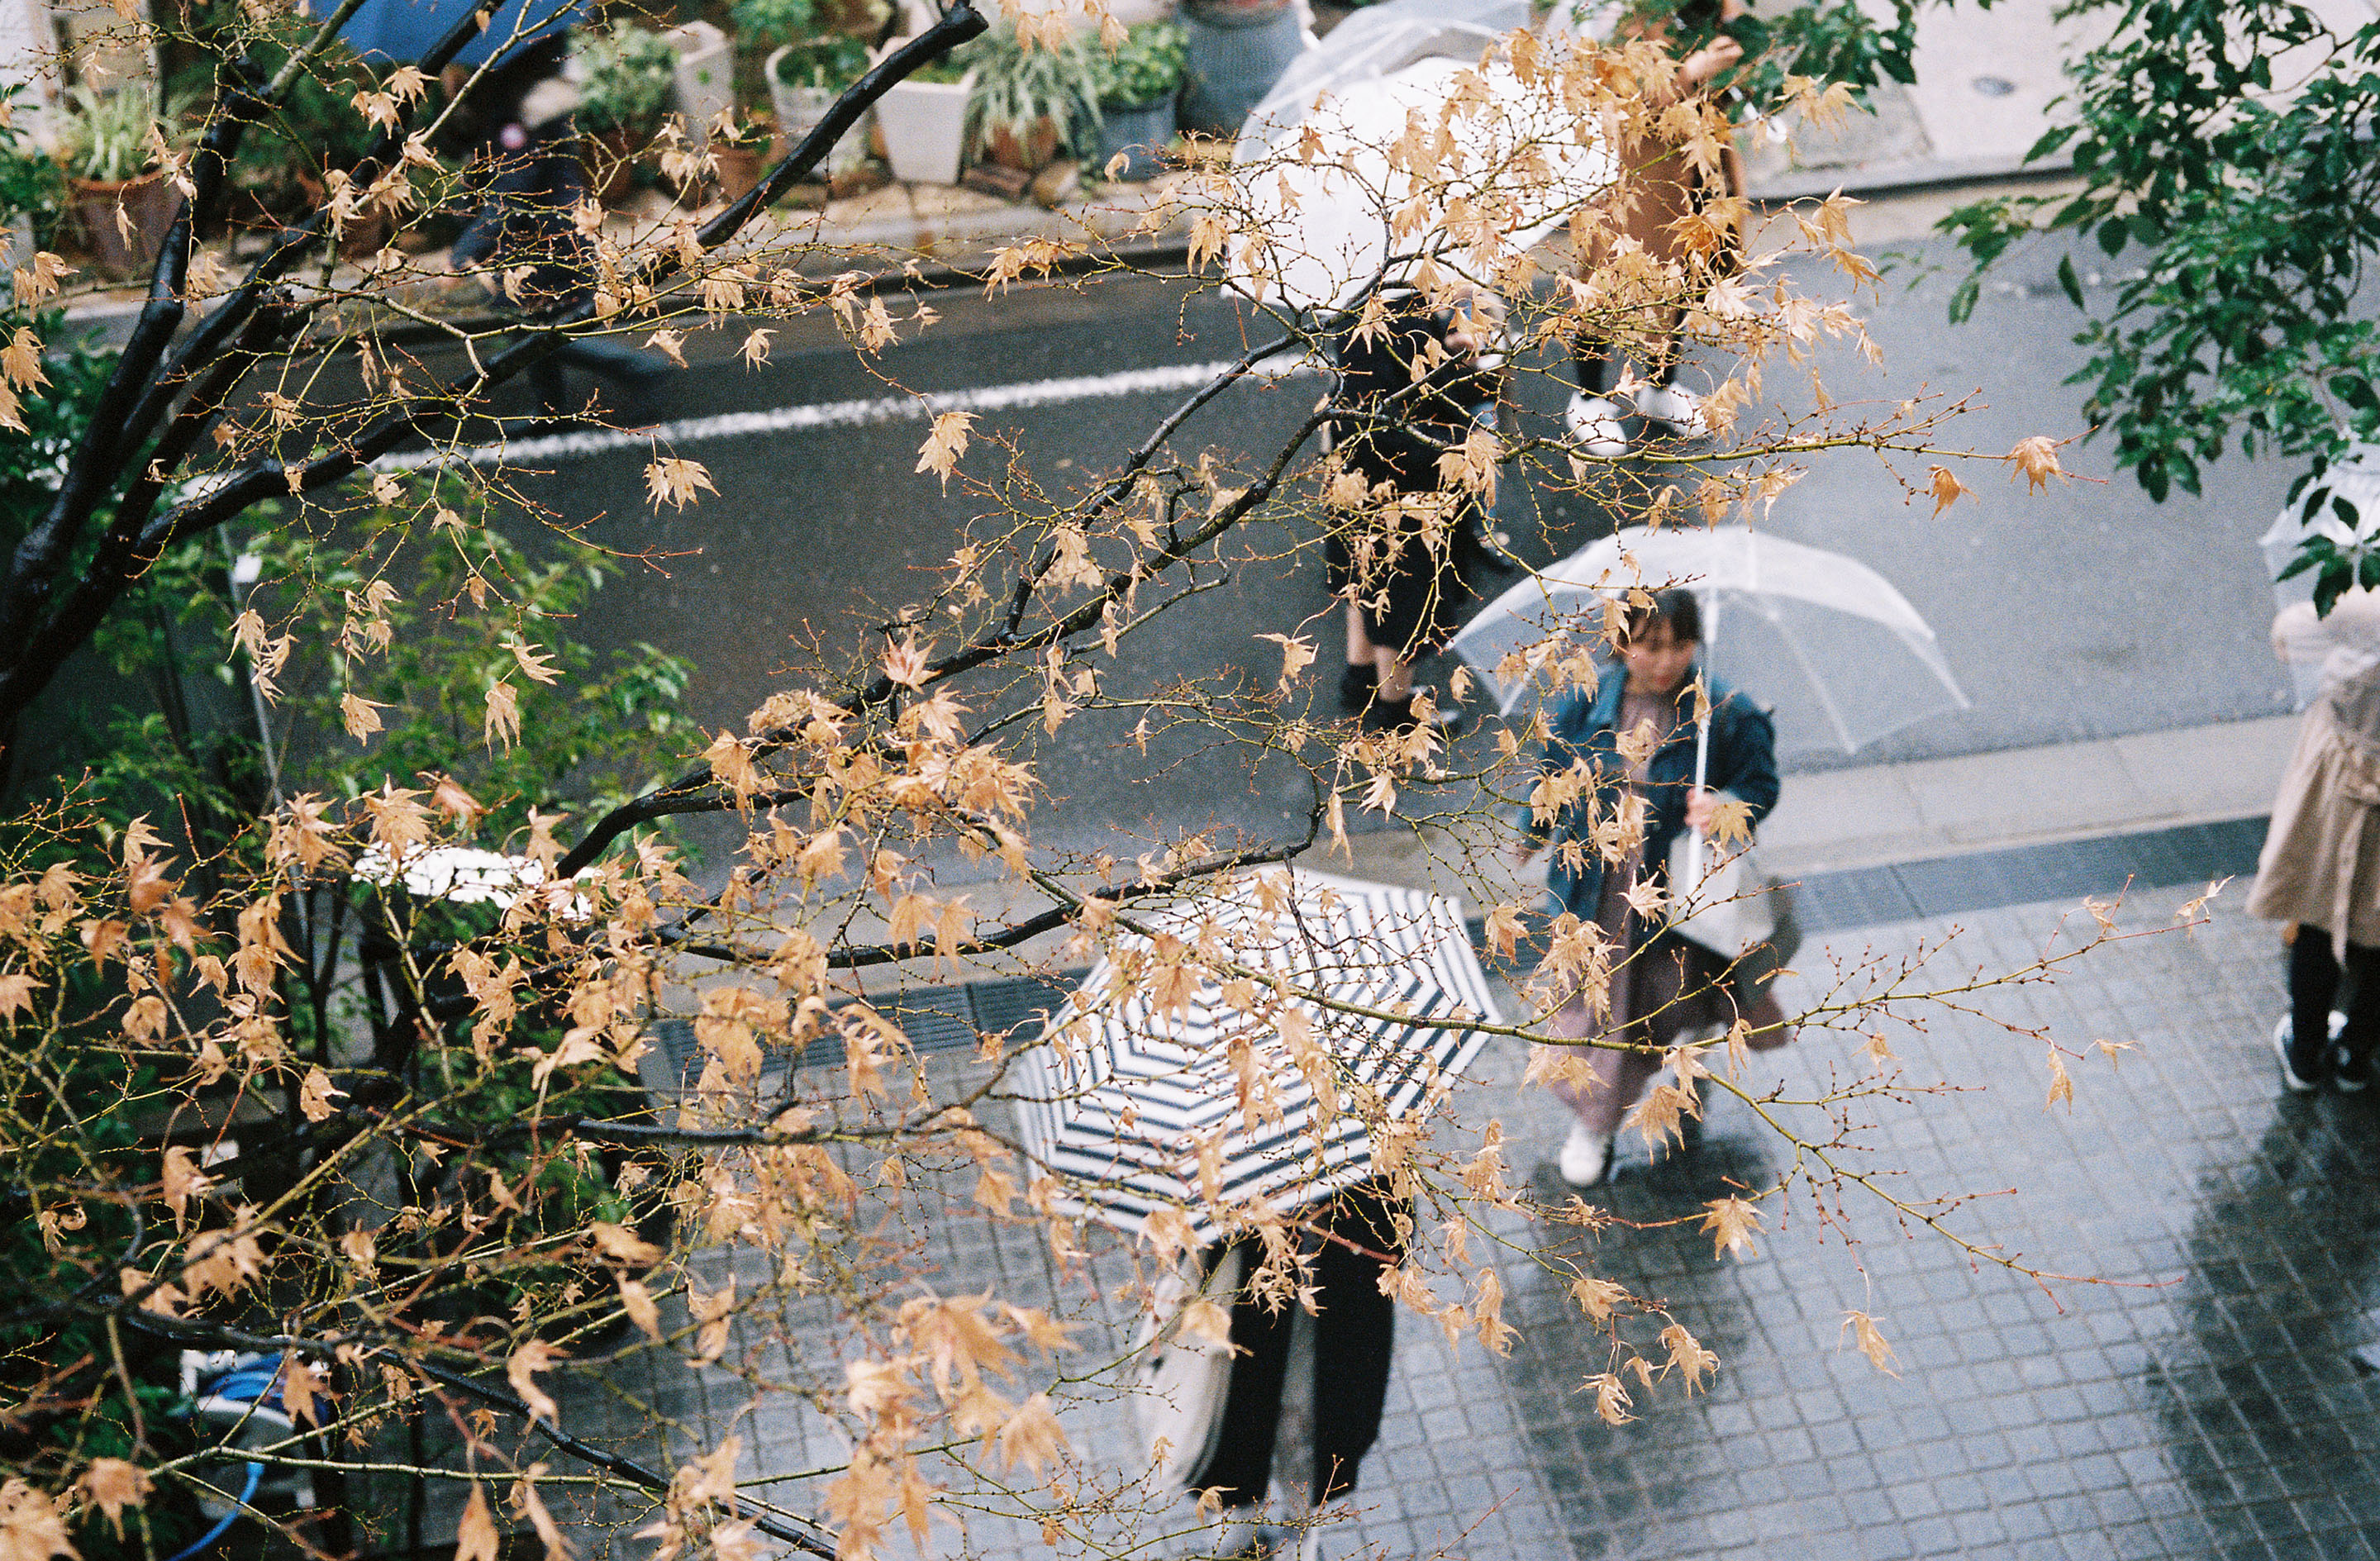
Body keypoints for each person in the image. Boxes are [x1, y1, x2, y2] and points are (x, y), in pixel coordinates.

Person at [1515, 587, 1781, 1186]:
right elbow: (1552, 773)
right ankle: (1597, 1122)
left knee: (1665, 995)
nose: (1664, 661)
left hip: (1677, 890)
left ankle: (1678, 1060)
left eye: (1679, 645)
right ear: (1621, 643)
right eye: (1648, 645)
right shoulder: (1584, 702)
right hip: (1597, 889)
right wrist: (1533, 830)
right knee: (1602, 1010)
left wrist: (1726, 805)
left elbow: (1760, 783)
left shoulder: (1726, 712)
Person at [441, 37, 671, 421]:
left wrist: (465, 253)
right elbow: (471, 149)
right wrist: (459, 95)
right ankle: (549, 411)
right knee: (530, 327)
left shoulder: (530, 111)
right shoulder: (510, 97)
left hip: (547, 241)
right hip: (531, 240)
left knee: (534, 333)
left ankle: (636, 369)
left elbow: (513, 190)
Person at [1564, 0, 1753, 457]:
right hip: (1636, 178)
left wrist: (1730, 54)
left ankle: (1659, 386)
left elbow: (1736, 85)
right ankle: (1588, 398)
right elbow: (1611, 95)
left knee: (1687, 280)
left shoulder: (1708, 11)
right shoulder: (1620, 16)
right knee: (1608, 286)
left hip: (1699, 170)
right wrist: (1688, 75)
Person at [1182, 1182, 1406, 1561]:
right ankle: (1245, 1524)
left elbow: (1390, 1233)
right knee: (1238, 1404)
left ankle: (1298, 1530)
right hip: (1249, 1272)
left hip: (1336, 1278)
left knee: (1313, 1419)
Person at [1323, 288, 1506, 733]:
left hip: (1355, 481)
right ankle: (1394, 710)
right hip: (1405, 490)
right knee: (1404, 605)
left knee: (1363, 580)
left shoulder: (1358, 309)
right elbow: (1409, 413)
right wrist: (1459, 447)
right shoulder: (1409, 320)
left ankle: (1361, 677)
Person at [2249, 590, 2380, 1091]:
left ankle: (2305, 1053)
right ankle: (2356, 1054)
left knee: (2321, 920)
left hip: (2341, 795)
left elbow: (2289, 636)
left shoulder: (2364, 609)